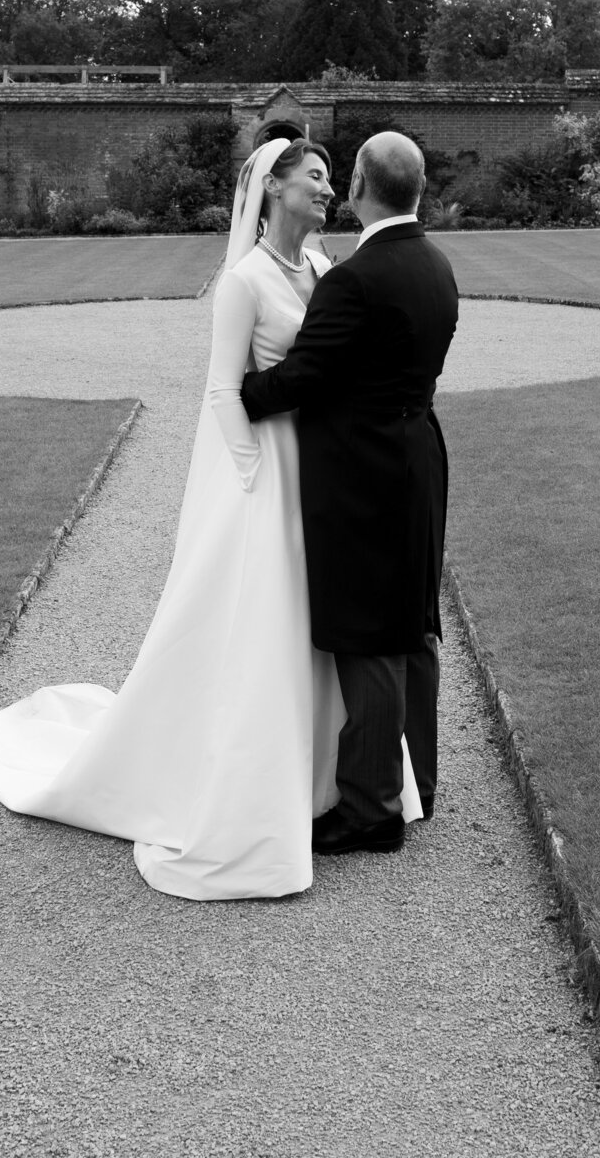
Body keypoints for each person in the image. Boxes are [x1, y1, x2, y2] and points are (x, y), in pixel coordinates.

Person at [0, 135, 422, 900]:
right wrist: (251, 476)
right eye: (314, 177)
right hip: (267, 471)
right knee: (269, 623)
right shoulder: (243, 282)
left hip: (325, 471)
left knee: (325, 626)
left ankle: (327, 785)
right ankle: (250, 791)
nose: (329, 189)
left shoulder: (329, 269)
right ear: (272, 189)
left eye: (333, 178)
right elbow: (219, 390)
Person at [240, 131, 459, 857]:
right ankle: (416, 781)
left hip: (365, 472)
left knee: (370, 635)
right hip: (420, 456)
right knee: (414, 621)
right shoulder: (436, 265)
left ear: (362, 183)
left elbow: (303, 379)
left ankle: (371, 809)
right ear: (417, 189)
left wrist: (238, 392)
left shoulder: (355, 279)